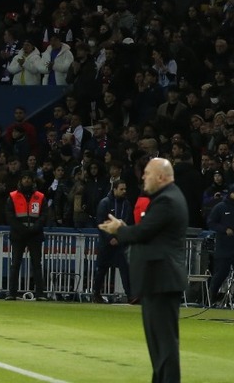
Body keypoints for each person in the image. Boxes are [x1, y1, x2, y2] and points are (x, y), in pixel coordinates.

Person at [99, 157, 188, 383]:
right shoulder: (166, 198)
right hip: (157, 279)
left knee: (164, 345)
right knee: (159, 346)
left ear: (161, 176)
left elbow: (143, 232)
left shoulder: (167, 200)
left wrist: (120, 229)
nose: (143, 177)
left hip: (162, 279)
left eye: (148, 173)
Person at [206, 182, 234, 306]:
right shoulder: (220, 207)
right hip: (223, 247)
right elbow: (211, 222)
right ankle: (211, 299)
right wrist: (224, 229)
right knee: (220, 274)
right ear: (230, 193)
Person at [6, 171, 46, 300]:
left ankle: (40, 293)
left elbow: (44, 215)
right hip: (19, 234)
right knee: (16, 264)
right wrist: (24, 229)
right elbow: (10, 216)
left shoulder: (40, 197)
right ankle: (11, 293)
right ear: (20, 180)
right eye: (24, 178)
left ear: (33, 181)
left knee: (36, 264)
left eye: (29, 178)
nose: (27, 180)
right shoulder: (12, 196)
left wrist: (33, 228)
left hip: (34, 234)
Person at [93, 179, 133, 303]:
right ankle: (96, 294)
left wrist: (120, 237)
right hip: (106, 243)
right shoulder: (105, 203)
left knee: (125, 269)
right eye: (121, 189)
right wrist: (110, 238)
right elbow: (100, 222)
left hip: (121, 243)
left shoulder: (126, 204)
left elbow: (128, 222)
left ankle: (131, 296)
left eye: (125, 189)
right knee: (102, 269)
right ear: (114, 189)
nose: (124, 191)